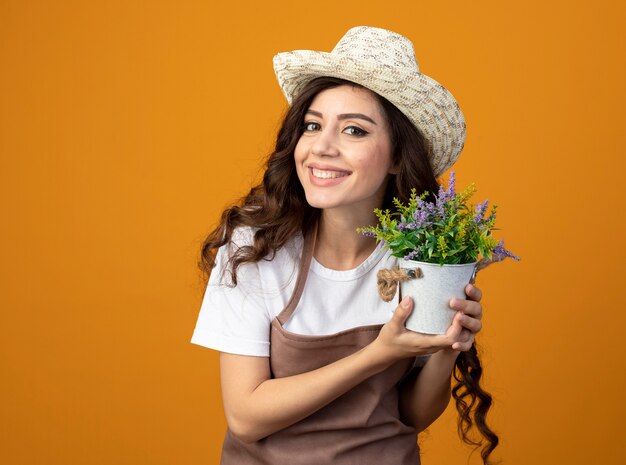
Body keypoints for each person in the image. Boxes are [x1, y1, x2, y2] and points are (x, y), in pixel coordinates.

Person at [191, 26, 498, 465]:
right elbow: (246, 416)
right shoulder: (256, 248)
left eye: (354, 130)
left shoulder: (421, 258)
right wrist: (379, 355)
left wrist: (448, 347)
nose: (322, 147)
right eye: (312, 125)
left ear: (396, 158)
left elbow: (411, 415)